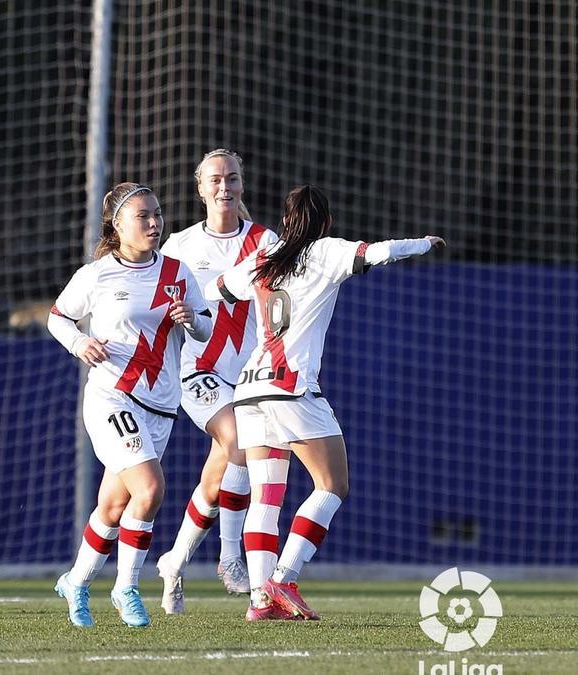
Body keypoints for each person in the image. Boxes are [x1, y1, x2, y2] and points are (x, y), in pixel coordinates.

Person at [207, 184, 445, 620]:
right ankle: (285, 576)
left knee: (265, 498)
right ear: (326, 222)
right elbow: (379, 252)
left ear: (285, 221)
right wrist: (425, 243)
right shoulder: (325, 251)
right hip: (291, 388)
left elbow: (218, 288)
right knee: (332, 484)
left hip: (250, 388)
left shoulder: (263, 259)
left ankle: (261, 601)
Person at [48, 182, 213, 628]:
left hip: (160, 407)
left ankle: (77, 582)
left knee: (114, 507)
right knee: (151, 489)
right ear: (117, 224)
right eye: (143, 216)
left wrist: (192, 320)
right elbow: (58, 316)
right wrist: (79, 341)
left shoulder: (178, 272)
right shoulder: (97, 274)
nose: (155, 223)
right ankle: (127, 588)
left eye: (157, 214)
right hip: (112, 396)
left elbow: (206, 329)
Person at [155, 149, 279, 613]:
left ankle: (174, 561)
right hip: (197, 370)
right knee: (240, 444)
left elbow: (284, 301)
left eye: (232, 179)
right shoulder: (180, 247)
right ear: (200, 188)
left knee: (217, 476)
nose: (224, 187)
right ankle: (230, 558)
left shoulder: (266, 242)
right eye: (215, 180)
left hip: (250, 373)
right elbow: (155, 306)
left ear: (242, 185)